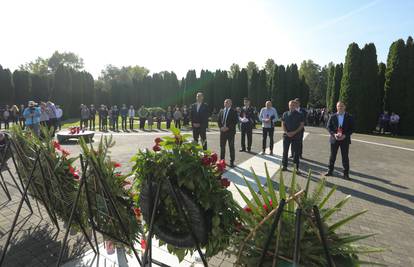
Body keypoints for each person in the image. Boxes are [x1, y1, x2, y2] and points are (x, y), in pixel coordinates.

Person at [324, 101, 354, 180]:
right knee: (332, 156)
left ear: (345, 107)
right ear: (336, 107)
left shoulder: (349, 116)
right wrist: (334, 134)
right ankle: (330, 171)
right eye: (338, 106)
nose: (340, 108)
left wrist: (345, 135)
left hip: (345, 140)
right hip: (335, 139)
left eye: (341, 106)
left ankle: (346, 174)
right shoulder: (332, 116)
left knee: (345, 157)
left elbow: (352, 129)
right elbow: (328, 127)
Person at [281, 100, 305, 174]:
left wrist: (294, 132)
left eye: (293, 105)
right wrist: (286, 132)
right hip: (286, 136)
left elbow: (302, 125)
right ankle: (284, 166)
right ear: (289, 106)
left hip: (296, 136)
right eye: (290, 105)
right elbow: (283, 123)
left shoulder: (300, 114)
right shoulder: (285, 114)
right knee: (285, 151)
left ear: (296, 106)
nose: (292, 106)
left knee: (296, 153)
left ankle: (296, 168)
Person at [218, 99, 238, 168]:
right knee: (222, 147)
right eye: (225, 102)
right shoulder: (221, 111)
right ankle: (222, 161)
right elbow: (219, 121)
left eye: (227, 102)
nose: (226, 103)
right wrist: (221, 127)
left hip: (230, 132)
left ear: (230, 104)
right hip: (222, 132)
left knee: (231, 147)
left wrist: (227, 128)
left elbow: (235, 121)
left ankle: (232, 161)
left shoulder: (234, 111)